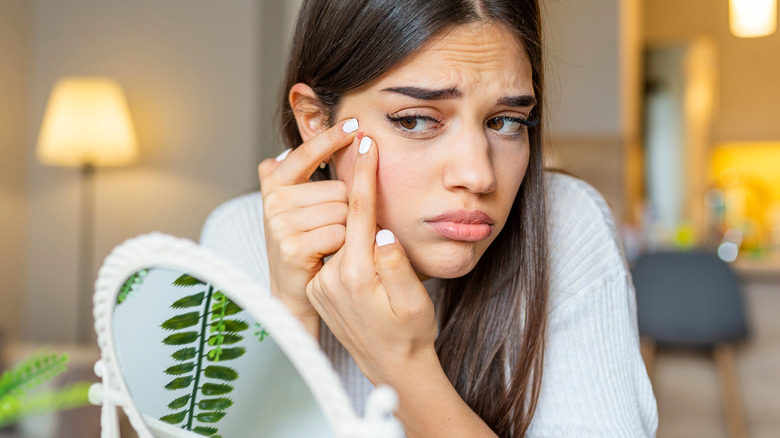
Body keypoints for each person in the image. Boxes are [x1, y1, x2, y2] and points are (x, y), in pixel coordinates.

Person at [200, 0, 658, 436]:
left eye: (506, 122)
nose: (478, 175)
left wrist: (402, 364)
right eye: (417, 119)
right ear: (316, 120)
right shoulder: (238, 237)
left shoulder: (565, 224)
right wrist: (289, 317)